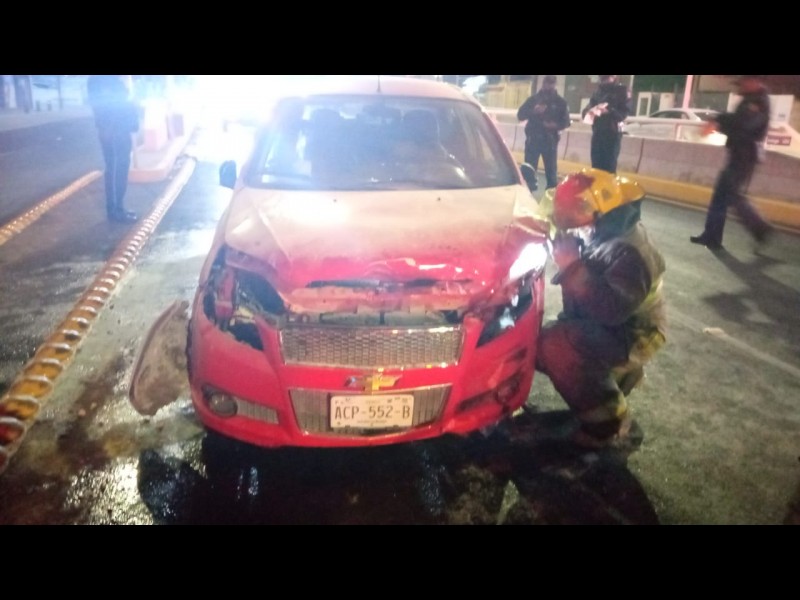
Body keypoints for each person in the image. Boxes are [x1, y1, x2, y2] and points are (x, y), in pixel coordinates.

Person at [535, 168, 667, 448]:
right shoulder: (601, 227)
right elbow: (550, 222)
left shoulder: (629, 251)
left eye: (576, 214)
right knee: (542, 345)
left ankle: (610, 429)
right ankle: (613, 380)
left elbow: (609, 310)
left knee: (557, 347)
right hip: (613, 324)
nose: (570, 226)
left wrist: (571, 265)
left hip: (635, 332)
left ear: (598, 212)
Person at [690, 75, 774, 250]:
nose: (739, 87)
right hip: (739, 154)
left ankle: (760, 227)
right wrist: (718, 121)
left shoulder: (758, 102)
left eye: (742, 83)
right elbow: (739, 121)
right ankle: (712, 236)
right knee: (723, 195)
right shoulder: (752, 99)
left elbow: (743, 124)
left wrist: (718, 122)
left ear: (753, 82)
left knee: (731, 194)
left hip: (745, 156)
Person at [87, 75, 141, 223]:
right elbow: (108, 105)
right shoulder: (103, 79)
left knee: (119, 167)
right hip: (114, 130)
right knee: (116, 168)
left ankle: (118, 207)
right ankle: (115, 210)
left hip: (118, 129)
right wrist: (107, 127)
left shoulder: (112, 79)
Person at [516, 75, 571, 191]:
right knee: (529, 172)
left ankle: (551, 196)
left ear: (555, 84)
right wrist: (533, 111)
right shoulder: (533, 100)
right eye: (547, 82)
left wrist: (553, 126)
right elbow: (520, 115)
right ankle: (527, 194)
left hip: (550, 141)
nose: (548, 85)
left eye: (551, 83)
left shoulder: (560, 102)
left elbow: (566, 122)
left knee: (551, 174)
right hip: (533, 139)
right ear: (543, 83)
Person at [581, 75, 630, 174]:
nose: (604, 80)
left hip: (612, 134)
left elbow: (623, 114)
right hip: (598, 133)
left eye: (606, 77)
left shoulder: (621, 91)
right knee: (596, 167)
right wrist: (590, 112)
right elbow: (586, 110)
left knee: (609, 168)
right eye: (602, 77)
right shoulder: (597, 92)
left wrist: (609, 111)